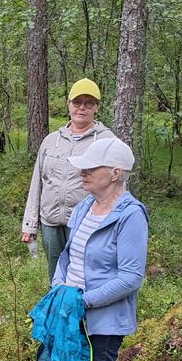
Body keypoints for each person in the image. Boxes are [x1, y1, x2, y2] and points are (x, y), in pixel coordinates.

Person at [38, 136, 148, 361]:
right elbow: (68, 255)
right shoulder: (85, 206)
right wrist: (59, 286)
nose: (82, 173)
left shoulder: (130, 215)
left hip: (102, 317)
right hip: (72, 310)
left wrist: (83, 300)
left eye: (91, 168)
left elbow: (131, 277)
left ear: (116, 173)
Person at [22, 78, 115, 280]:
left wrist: (113, 223)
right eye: (77, 102)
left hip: (87, 222)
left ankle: (85, 309)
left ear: (96, 107)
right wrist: (30, 224)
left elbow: (117, 185)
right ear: (69, 104)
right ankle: (57, 308)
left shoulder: (107, 141)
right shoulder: (51, 141)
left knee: (84, 275)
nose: (82, 108)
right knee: (56, 275)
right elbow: (37, 182)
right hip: (51, 221)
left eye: (88, 103)